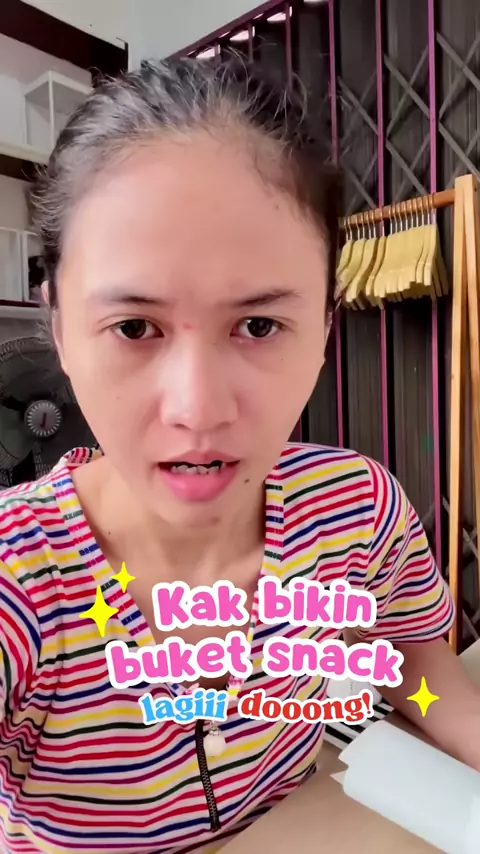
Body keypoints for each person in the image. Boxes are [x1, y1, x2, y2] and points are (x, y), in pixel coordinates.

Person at [0, 57, 478, 854]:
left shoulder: (356, 514)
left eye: (258, 326)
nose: (198, 411)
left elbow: (418, 672)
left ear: (324, 329)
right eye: (134, 327)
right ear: (60, 331)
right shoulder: (20, 580)